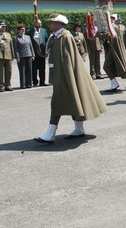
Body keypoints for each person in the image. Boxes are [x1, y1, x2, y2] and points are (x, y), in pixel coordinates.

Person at [34, 13, 107, 143]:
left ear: (59, 24)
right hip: (58, 74)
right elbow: (45, 53)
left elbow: (68, 59)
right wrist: (38, 40)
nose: (50, 24)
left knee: (56, 103)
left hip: (65, 75)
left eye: (52, 22)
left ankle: (50, 133)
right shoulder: (54, 37)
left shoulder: (65, 37)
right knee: (73, 101)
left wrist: (68, 78)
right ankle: (79, 129)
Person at [100, 14, 126, 91]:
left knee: (106, 66)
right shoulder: (109, 27)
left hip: (114, 49)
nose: (110, 20)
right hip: (110, 48)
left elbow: (111, 37)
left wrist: (99, 34)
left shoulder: (114, 27)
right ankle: (113, 83)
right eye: (109, 19)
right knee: (109, 67)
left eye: (111, 19)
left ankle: (114, 83)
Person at [26, 19, 49, 87]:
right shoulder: (29, 31)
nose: (39, 25)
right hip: (34, 53)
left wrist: (46, 50)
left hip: (42, 53)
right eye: (38, 23)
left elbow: (46, 40)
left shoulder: (44, 30)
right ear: (34, 24)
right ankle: (35, 81)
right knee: (34, 68)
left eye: (40, 23)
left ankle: (42, 81)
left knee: (42, 68)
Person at [13, 24, 35, 89]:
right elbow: (16, 48)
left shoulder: (27, 37)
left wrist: (33, 54)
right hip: (21, 56)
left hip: (29, 55)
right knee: (22, 71)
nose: (23, 30)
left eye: (24, 29)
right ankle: (23, 84)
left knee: (29, 70)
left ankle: (29, 84)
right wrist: (17, 57)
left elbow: (31, 46)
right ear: (18, 30)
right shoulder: (16, 38)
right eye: (22, 29)